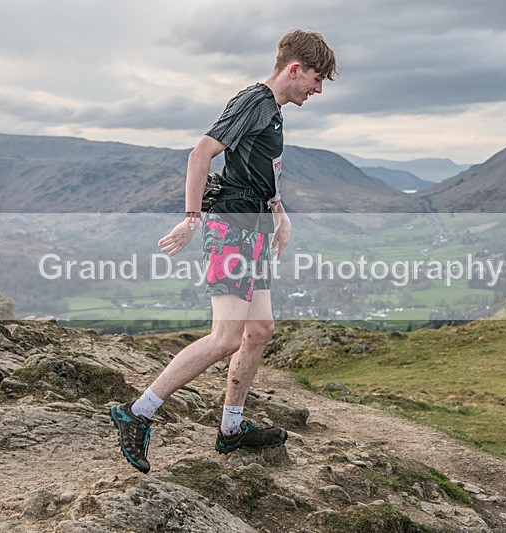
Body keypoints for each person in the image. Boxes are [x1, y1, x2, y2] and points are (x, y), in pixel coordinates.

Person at [110, 29, 338, 473]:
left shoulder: (270, 111)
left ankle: (232, 428)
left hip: (252, 226)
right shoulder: (255, 100)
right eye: (316, 78)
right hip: (230, 228)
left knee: (260, 330)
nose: (318, 88)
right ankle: (136, 413)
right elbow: (202, 153)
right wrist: (192, 218)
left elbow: (252, 169)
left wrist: (278, 210)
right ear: (295, 69)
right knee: (226, 337)